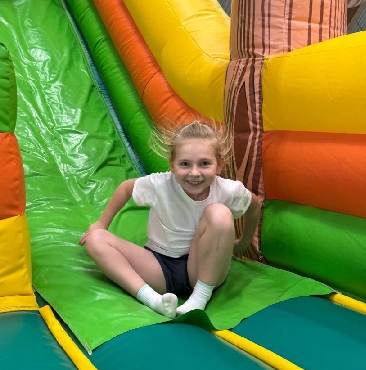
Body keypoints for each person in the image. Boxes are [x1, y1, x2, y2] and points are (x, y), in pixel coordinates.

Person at [79, 121, 261, 318]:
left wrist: (244, 241)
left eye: (204, 163)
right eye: (185, 164)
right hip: (159, 267)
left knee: (219, 213)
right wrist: (101, 224)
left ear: (219, 165)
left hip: (204, 269)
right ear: (172, 165)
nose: (194, 173)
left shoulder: (227, 189)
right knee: (96, 238)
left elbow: (254, 205)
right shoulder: (160, 185)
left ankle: (200, 297)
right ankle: (153, 300)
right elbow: (125, 189)